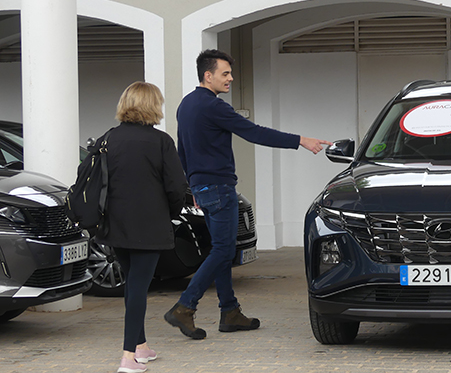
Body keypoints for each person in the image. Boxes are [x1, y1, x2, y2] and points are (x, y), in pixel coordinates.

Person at [164, 49, 331, 340]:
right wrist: (300, 140)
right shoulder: (214, 107)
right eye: (225, 73)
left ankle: (230, 312)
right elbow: (254, 132)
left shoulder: (186, 104)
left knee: (220, 249)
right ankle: (185, 306)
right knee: (223, 251)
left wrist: (192, 186)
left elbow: (182, 150)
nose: (230, 78)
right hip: (219, 187)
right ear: (208, 75)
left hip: (203, 187)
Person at [95, 82, 188, 373]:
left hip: (116, 224)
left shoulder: (108, 139)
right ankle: (127, 357)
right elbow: (176, 187)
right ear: (153, 106)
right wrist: (170, 213)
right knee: (138, 286)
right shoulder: (161, 142)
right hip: (149, 224)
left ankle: (141, 346)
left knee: (133, 284)